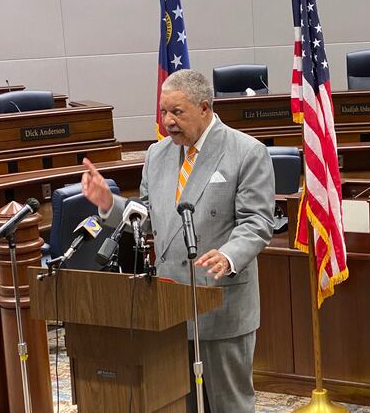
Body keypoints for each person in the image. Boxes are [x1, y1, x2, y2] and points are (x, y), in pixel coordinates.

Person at [81, 69, 275, 412]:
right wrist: (110, 205)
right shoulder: (157, 155)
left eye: (177, 112)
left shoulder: (246, 151)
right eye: (163, 112)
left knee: (227, 404)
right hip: (169, 307)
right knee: (177, 401)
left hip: (220, 301)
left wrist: (229, 255)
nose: (168, 121)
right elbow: (149, 216)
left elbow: (257, 221)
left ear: (204, 107)